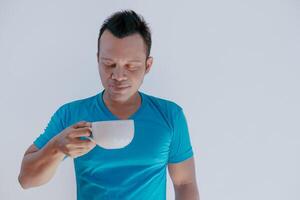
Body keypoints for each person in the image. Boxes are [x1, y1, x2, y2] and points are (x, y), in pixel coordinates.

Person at [18, 10, 200, 200]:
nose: (118, 76)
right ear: (98, 59)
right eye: (109, 64)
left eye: (131, 66)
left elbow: (184, 183)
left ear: (148, 65)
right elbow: (26, 179)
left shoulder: (170, 115)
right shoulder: (71, 115)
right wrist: (56, 148)